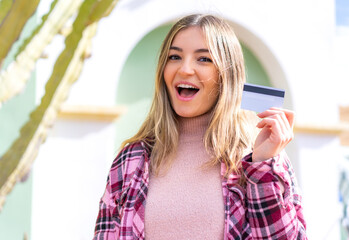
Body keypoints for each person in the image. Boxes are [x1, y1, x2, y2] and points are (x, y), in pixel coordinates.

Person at [93, 14, 307, 240]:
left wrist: (262, 169)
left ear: (227, 75)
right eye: (174, 56)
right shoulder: (130, 160)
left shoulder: (258, 157)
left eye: (203, 59)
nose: (185, 69)